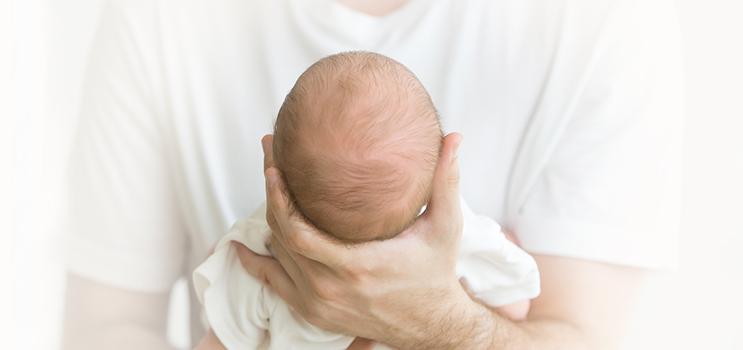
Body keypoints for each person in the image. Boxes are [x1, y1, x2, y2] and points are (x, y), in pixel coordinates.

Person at [62, 0, 683, 349]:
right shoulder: (159, 19)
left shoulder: (250, 252)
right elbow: (107, 328)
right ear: (446, 170)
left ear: (271, 165)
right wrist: (485, 313)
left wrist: (440, 320)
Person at [192, 52, 539, 349]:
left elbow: (219, 342)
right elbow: (517, 308)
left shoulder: (257, 248)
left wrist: (224, 261)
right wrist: (500, 249)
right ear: (441, 172)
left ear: (274, 167)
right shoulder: (457, 240)